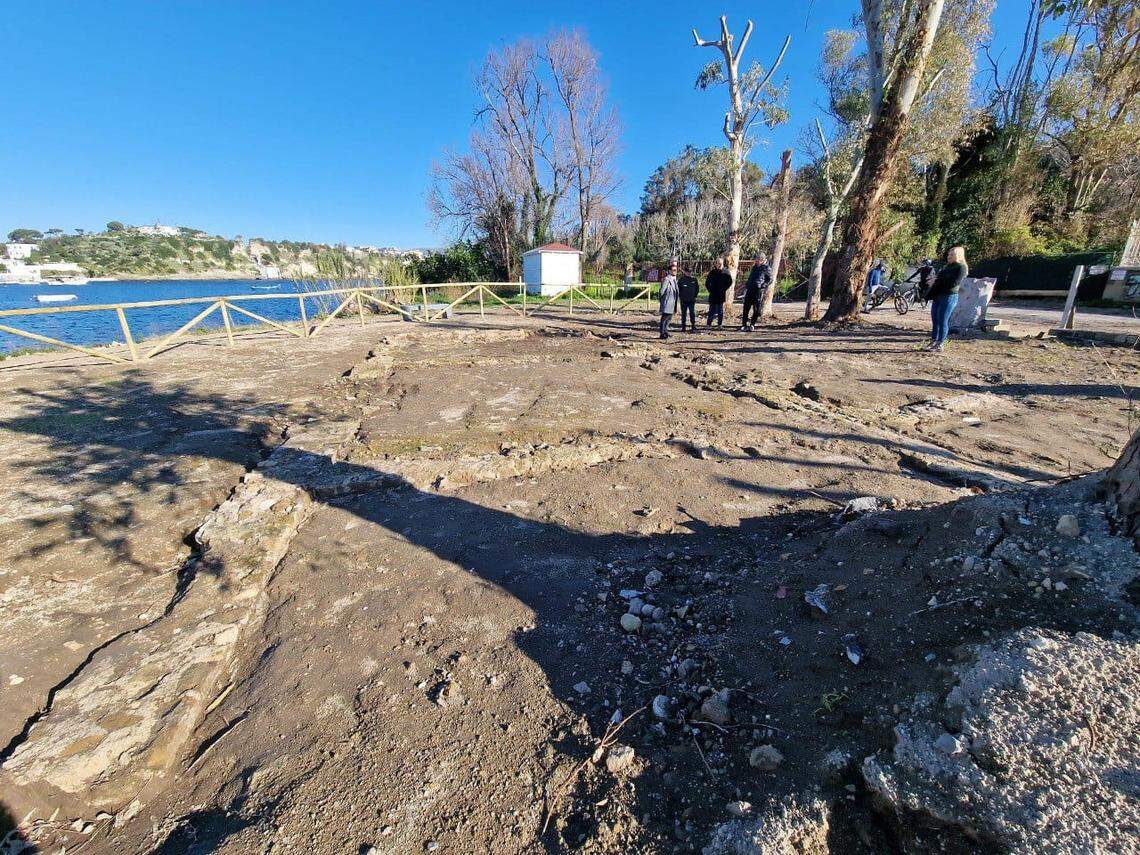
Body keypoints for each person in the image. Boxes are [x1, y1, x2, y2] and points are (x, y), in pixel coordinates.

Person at [926, 246, 967, 352]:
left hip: (949, 296)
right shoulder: (946, 267)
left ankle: (941, 343)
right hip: (938, 295)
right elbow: (939, 278)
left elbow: (954, 282)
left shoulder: (961, 267)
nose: (949, 256)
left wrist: (938, 280)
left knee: (942, 320)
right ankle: (934, 340)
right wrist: (933, 280)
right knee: (935, 319)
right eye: (949, 254)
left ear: (958, 255)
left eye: (952, 254)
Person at [740, 253, 771, 331]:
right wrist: (747, 283)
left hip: (758, 290)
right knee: (746, 307)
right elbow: (751, 277)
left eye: (757, 260)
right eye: (756, 259)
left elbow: (770, 279)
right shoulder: (754, 267)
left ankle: (752, 324)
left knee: (756, 308)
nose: (756, 261)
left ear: (762, 260)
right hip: (750, 289)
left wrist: (762, 286)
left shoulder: (766, 268)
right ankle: (744, 324)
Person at [704, 257, 732, 328]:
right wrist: (710, 290)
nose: (718, 264)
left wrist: (724, 289)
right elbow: (707, 283)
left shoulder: (726, 272)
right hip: (713, 294)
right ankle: (708, 324)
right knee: (711, 311)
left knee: (720, 311)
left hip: (721, 295)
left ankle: (719, 324)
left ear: (722, 263)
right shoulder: (712, 272)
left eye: (720, 263)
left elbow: (729, 282)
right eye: (717, 263)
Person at [659, 259, 679, 340]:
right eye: (673, 270)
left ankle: (666, 331)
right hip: (667, 302)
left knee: (669, 318)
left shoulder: (674, 279)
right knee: (664, 318)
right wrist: (662, 301)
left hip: (673, 302)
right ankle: (662, 333)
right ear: (669, 271)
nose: (675, 272)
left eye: (676, 270)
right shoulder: (667, 279)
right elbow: (661, 291)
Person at [677, 264, 699, 332]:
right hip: (684, 300)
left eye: (690, 272)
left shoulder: (694, 280)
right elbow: (678, 289)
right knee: (683, 314)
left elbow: (697, 289)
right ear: (685, 272)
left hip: (692, 300)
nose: (689, 273)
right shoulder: (681, 280)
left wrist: (695, 296)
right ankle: (683, 327)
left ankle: (693, 326)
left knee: (692, 313)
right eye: (688, 272)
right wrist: (681, 296)